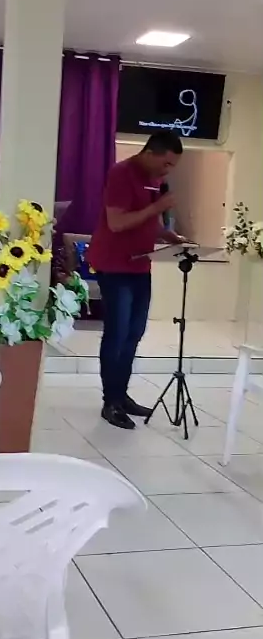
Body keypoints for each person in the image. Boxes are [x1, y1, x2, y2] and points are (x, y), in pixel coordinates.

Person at [87, 132, 184, 430]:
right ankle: (110, 402)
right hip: (114, 266)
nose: (168, 171)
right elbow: (117, 223)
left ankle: (121, 395)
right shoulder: (121, 173)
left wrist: (169, 235)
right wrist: (158, 207)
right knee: (117, 334)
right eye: (166, 163)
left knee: (134, 333)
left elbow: (145, 220)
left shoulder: (154, 179)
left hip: (140, 265)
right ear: (150, 153)